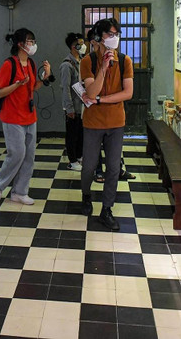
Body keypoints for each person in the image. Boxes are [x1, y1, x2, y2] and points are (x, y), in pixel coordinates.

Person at [80, 18, 134, 231]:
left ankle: (107, 209)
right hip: (93, 123)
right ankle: (86, 194)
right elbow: (91, 92)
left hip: (116, 123)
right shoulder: (88, 61)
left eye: (116, 34)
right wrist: (102, 67)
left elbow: (127, 93)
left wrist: (102, 100)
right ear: (98, 37)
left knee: (113, 168)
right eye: (109, 34)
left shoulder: (125, 60)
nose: (114, 38)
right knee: (89, 167)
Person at [0, 28, 51, 205]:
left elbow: (33, 87)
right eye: (29, 41)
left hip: (29, 116)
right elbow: (0, 92)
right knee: (17, 154)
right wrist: (17, 84)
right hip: (12, 117)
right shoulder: (9, 65)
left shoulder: (31, 64)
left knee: (29, 156)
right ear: (20, 44)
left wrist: (45, 77)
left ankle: (20, 191)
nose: (32, 44)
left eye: (33, 40)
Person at [60, 32, 85, 171]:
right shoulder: (66, 65)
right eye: (80, 44)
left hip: (81, 106)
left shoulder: (81, 61)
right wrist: (69, 108)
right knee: (72, 134)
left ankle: (79, 156)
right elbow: (65, 89)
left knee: (80, 133)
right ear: (73, 46)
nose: (83, 46)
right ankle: (72, 160)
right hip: (73, 106)